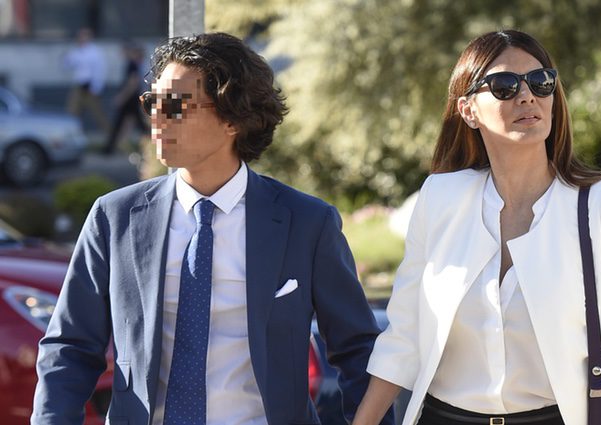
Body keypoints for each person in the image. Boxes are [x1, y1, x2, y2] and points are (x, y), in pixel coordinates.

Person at [32, 32, 393, 425]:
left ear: (232, 118)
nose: (156, 118)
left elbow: (357, 350)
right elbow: (69, 347)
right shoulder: (114, 216)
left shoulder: (307, 223)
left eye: (173, 105)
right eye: (152, 102)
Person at [352, 30, 601, 425]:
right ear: (468, 110)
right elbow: (403, 338)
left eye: (540, 82)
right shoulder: (440, 197)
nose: (527, 96)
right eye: (504, 86)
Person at [102, 41, 148, 155]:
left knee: (123, 124)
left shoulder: (132, 64)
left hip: (130, 100)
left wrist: (122, 97)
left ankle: (109, 148)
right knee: (137, 125)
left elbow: (133, 83)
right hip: (132, 99)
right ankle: (110, 148)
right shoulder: (134, 64)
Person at [63, 27, 109, 134]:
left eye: (84, 36)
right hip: (79, 87)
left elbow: (100, 70)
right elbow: (66, 65)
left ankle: (111, 137)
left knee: (98, 115)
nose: (81, 38)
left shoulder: (95, 52)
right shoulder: (76, 51)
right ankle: (72, 137)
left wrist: (96, 87)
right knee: (72, 114)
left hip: (90, 87)